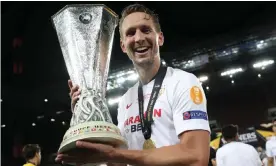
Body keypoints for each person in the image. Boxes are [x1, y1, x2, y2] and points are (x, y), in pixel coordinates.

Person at [56, 3, 210, 166]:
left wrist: (115, 154)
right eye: (130, 33)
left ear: (160, 38)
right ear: (123, 46)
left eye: (146, 30)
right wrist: (84, 117)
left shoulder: (183, 82)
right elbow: (119, 161)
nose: (139, 38)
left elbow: (196, 156)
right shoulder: (125, 100)